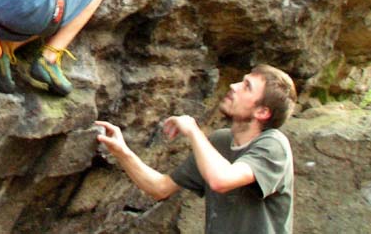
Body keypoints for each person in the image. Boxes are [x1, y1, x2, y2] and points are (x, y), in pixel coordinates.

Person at [96, 64, 297, 233]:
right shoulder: (219, 141)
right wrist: (122, 152)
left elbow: (222, 180)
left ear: (262, 111)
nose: (234, 86)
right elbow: (160, 188)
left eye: (246, 87)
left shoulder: (273, 145)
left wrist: (193, 130)